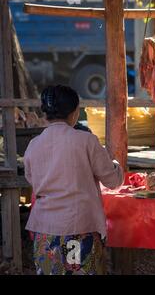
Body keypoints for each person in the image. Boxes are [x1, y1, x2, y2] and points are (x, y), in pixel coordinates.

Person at [24, 85, 124, 275]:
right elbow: (112, 181)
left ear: (45, 113)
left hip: (45, 231)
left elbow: (31, 179)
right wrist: (116, 165)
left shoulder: (33, 145)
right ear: (75, 112)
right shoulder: (86, 141)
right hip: (78, 230)